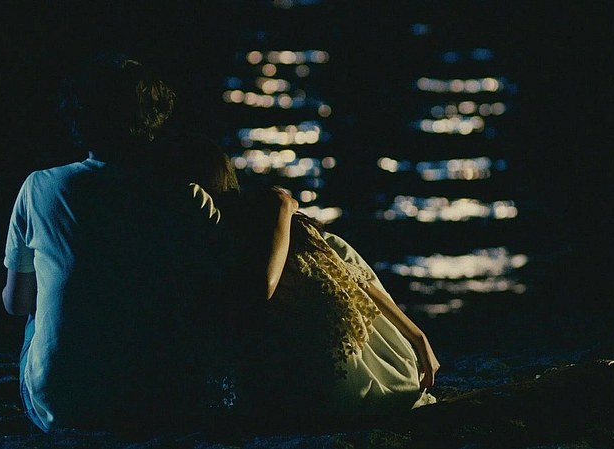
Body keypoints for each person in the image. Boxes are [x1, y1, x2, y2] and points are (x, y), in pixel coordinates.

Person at [1, 54, 223, 432]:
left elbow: (16, 303)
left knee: (40, 308)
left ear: (78, 119)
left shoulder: (39, 187)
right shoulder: (186, 196)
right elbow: (220, 289)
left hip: (62, 405)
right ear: (155, 121)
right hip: (162, 399)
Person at [187, 144, 440, 430]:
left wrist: (418, 337)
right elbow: (359, 281)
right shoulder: (275, 229)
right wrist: (417, 336)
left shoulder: (248, 237)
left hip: (338, 388)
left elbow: (269, 287)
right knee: (333, 248)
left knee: (332, 250)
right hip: (364, 380)